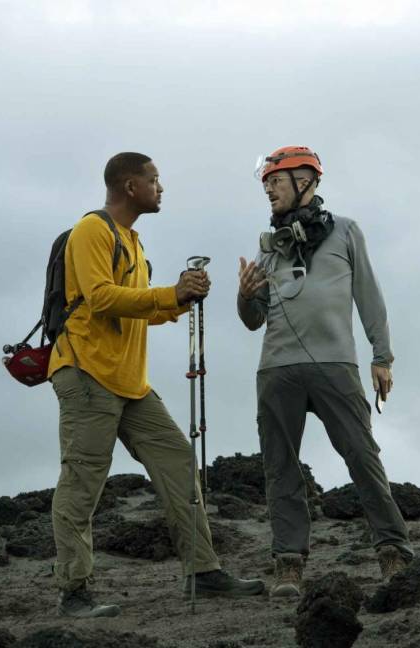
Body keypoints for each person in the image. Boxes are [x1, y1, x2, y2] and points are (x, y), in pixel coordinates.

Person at [48, 152, 264, 618]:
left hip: (131, 384)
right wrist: (171, 293)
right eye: (154, 180)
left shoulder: (133, 241)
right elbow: (101, 298)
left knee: (179, 463)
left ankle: (203, 571)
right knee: (83, 481)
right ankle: (74, 592)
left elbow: (141, 309)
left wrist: (181, 298)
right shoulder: (92, 231)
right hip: (86, 373)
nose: (161, 188)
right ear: (130, 187)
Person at [236, 146, 413, 598]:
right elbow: (253, 320)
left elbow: (369, 296)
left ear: (305, 181)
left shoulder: (346, 232)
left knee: (362, 456)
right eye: (267, 183)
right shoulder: (267, 248)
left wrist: (383, 356)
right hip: (276, 369)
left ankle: (394, 553)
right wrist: (244, 295)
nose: (269, 189)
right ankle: (289, 565)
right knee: (280, 470)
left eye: (276, 180)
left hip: (335, 366)